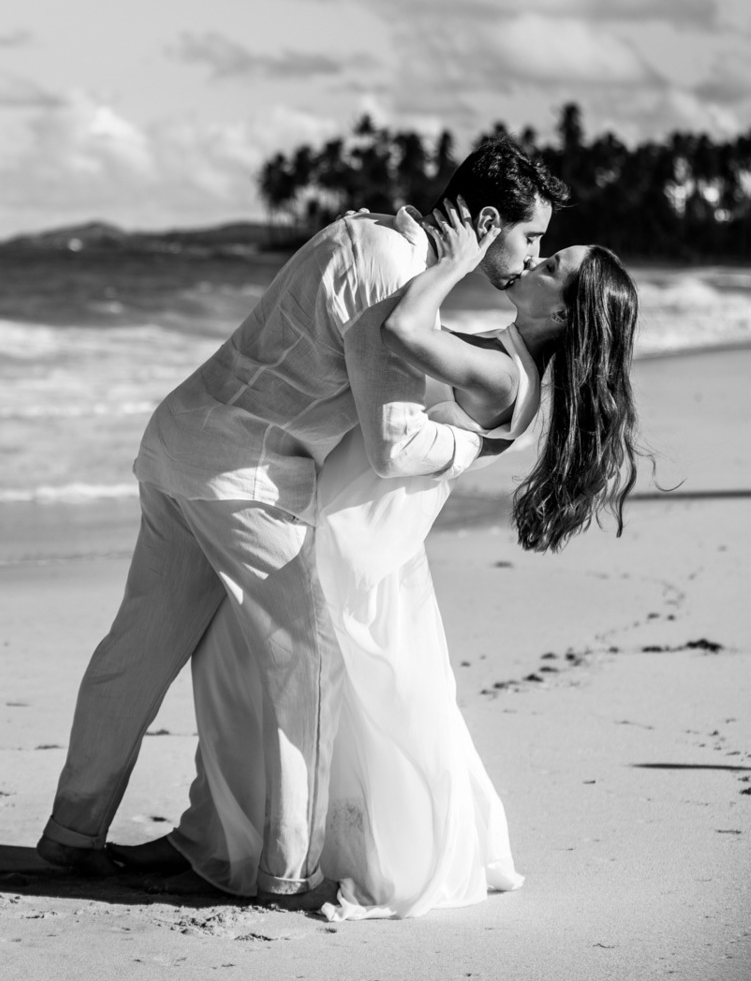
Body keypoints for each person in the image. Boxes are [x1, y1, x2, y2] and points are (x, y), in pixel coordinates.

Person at [38, 139, 568, 901]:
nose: (532, 253)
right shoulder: (394, 273)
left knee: (139, 648)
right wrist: (480, 444)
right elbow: (391, 445)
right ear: (487, 220)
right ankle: (289, 870)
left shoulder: (365, 233)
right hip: (242, 474)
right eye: (531, 237)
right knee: (309, 665)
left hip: (179, 441)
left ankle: (73, 832)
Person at [168, 198, 639, 919]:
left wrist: (447, 264)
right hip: (367, 525)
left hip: (361, 533)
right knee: (351, 689)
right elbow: (391, 320)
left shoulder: (505, 375)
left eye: (553, 265)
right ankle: (257, 832)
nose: (539, 260)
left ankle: (296, 846)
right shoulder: (503, 350)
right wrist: (387, 240)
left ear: (566, 315)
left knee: (337, 687)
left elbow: (403, 328)